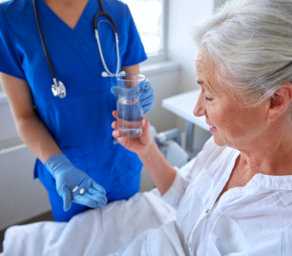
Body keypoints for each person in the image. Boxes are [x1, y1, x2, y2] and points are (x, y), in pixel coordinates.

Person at [111, 0, 292, 254]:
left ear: (275, 101)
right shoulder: (227, 146)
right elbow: (184, 194)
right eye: (201, 89)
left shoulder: (281, 236)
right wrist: (146, 149)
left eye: (209, 95)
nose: (197, 110)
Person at [0, 0, 154, 222]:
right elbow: (24, 117)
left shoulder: (118, 12)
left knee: (127, 237)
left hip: (121, 160)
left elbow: (131, 88)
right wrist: (59, 166)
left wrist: (139, 98)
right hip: (65, 170)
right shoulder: (9, 18)